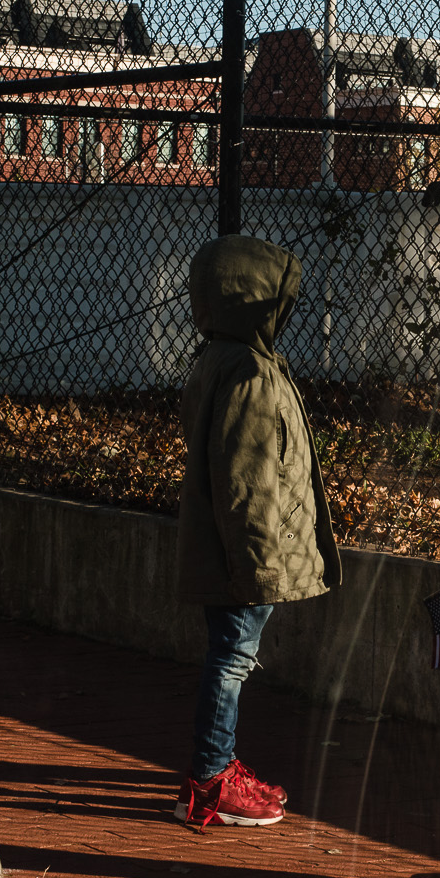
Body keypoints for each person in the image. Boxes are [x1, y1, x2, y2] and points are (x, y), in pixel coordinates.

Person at [173, 234, 342, 827]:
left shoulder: (224, 359)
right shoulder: (248, 371)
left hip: (236, 551)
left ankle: (216, 766)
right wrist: (257, 568)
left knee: (230, 654)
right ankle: (211, 779)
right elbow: (245, 481)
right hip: (245, 555)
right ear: (252, 301)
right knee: (232, 658)